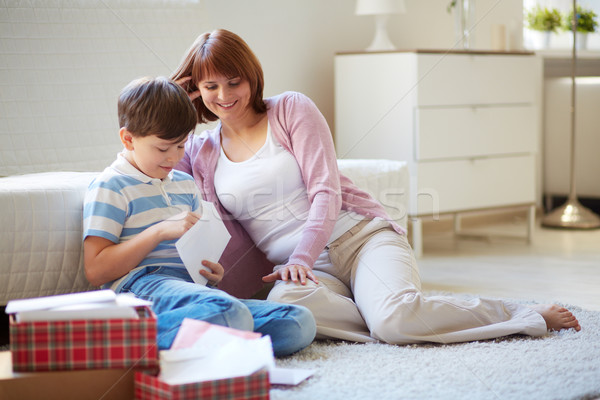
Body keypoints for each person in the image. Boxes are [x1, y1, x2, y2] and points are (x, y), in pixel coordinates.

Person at [171, 29, 581, 345]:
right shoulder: (200, 150)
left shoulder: (290, 109)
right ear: (197, 89)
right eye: (210, 87)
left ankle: (519, 313)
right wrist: (176, 98)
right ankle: (385, 311)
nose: (224, 96)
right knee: (284, 306)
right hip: (306, 276)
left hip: (360, 239)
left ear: (252, 77)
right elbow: (170, 173)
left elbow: (325, 192)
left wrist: (300, 255)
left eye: (233, 82)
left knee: (395, 320)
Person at [82, 76, 316, 356]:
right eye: (162, 148)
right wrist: (158, 231)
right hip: (142, 287)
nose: (172, 158)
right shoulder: (111, 186)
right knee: (230, 313)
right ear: (128, 139)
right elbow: (96, 270)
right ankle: (122, 337)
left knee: (298, 322)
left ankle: (211, 341)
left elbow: (197, 255)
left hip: (191, 291)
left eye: (180, 147)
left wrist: (211, 276)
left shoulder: (183, 183)